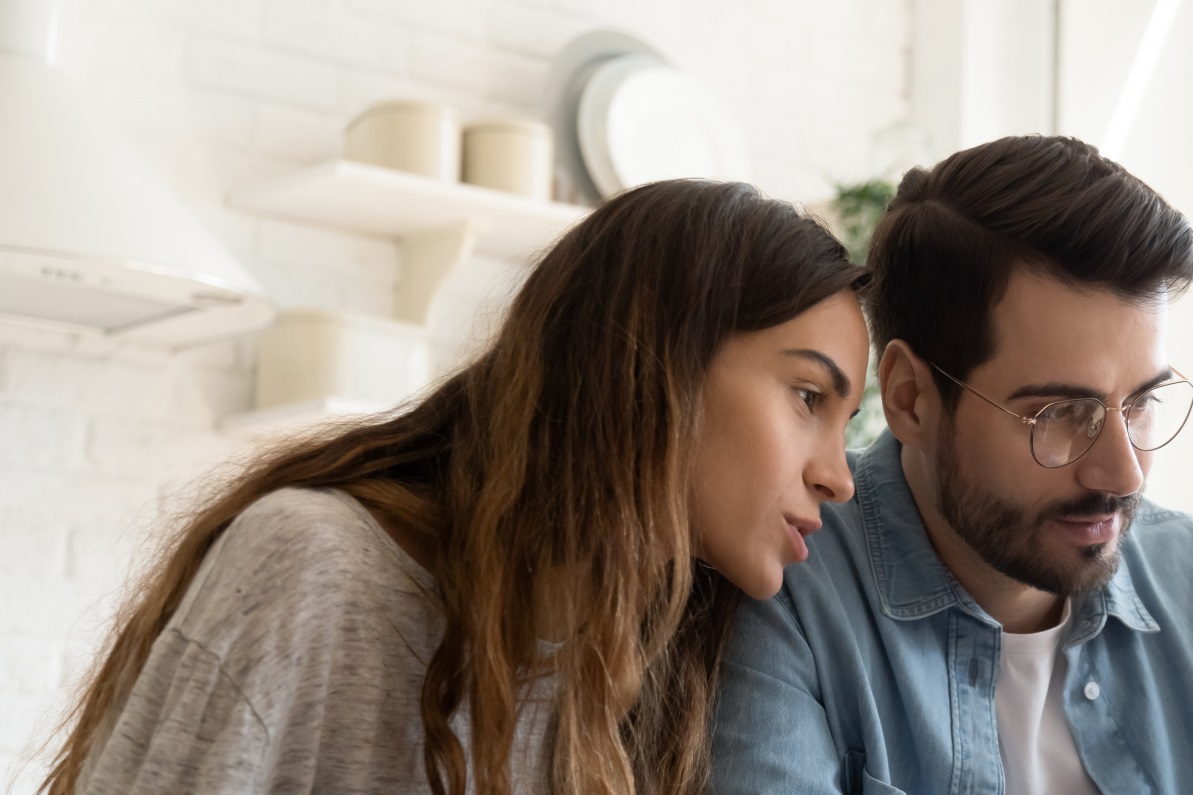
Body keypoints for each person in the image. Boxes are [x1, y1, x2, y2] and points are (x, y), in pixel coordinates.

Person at [35, 180, 870, 795]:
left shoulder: (658, 667)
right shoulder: (309, 570)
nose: (838, 475)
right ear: (660, 368)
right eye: (808, 398)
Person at [710, 136, 1193, 794]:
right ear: (910, 398)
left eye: (1142, 402)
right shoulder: (786, 590)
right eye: (1061, 414)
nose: (1125, 475)